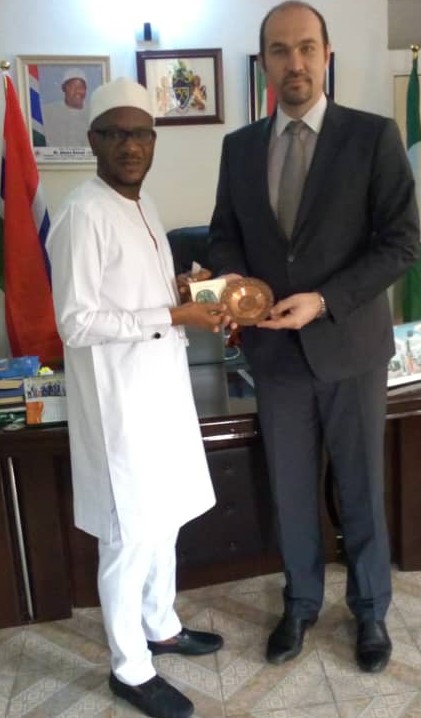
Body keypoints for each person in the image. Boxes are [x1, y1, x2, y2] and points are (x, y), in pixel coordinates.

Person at [209, 1, 420, 674]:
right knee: (291, 489)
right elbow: (223, 235)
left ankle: (369, 610)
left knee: (360, 488)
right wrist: (234, 287)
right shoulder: (239, 148)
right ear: (264, 61)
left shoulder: (373, 136)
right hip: (274, 355)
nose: (293, 62)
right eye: (279, 50)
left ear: (326, 55)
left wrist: (324, 300)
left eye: (305, 47)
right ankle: (299, 603)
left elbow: (401, 243)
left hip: (349, 349)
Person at [47, 77, 225, 718]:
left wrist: (183, 288)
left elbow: (136, 293)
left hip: (162, 393)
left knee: (164, 520)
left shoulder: (144, 204)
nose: (131, 146)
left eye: (141, 134)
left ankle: (161, 625)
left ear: (154, 140)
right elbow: (77, 323)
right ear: (94, 140)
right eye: (117, 134)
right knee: (128, 536)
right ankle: (129, 666)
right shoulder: (81, 214)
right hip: (119, 404)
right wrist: (173, 315)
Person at [43, 67, 89, 146]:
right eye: (72, 87)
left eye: (81, 87)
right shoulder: (47, 112)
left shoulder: (93, 114)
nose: (77, 91)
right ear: (63, 88)